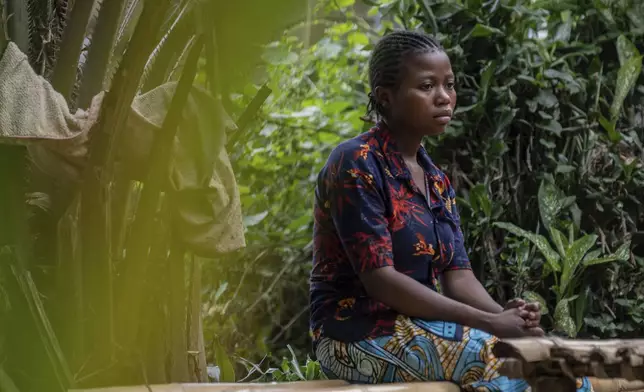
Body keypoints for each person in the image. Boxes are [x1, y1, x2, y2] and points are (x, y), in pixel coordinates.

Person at [308, 30, 593, 391]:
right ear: (386, 97)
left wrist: (509, 318)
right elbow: (381, 280)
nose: (444, 97)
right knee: (501, 362)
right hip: (353, 334)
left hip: (418, 327)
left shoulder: (436, 180)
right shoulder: (356, 162)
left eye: (449, 85)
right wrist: (490, 325)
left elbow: (457, 277)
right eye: (427, 86)